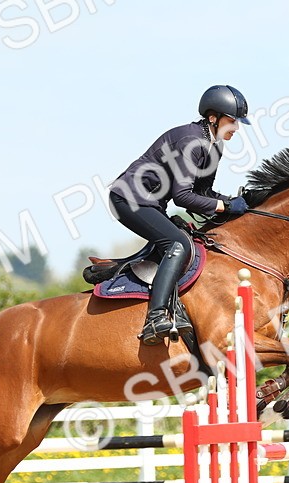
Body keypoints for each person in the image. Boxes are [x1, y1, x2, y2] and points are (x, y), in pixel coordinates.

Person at [109, 85, 252, 345]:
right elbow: (183, 197)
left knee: (183, 240)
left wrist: (236, 201)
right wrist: (227, 207)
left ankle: (115, 271)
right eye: (232, 121)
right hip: (128, 198)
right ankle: (156, 317)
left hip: (150, 203)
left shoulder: (214, 146)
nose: (236, 128)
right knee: (177, 245)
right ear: (213, 117)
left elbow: (203, 193)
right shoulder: (191, 141)